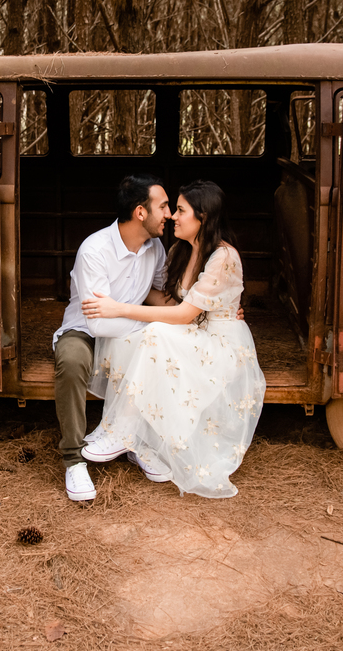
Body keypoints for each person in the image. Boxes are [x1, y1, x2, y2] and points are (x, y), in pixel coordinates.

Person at [80, 180, 267, 498]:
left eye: (180, 210)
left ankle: (122, 430)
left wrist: (118, 309)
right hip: (194, 334)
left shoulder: (223, 256)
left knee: (153, 333)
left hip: (220, 345)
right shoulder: (180, 251)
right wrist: (116, 298)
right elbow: (168, 301)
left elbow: (183, 315)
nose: (173, 217)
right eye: (172, 209)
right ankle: (139, 441)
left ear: (203, 217)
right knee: (128, 337)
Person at [53, 174, 172, 502]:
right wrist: (151, 324)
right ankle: (74, 459)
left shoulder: (155, 247)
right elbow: (99, 324)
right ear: (140, 212)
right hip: (86, 331)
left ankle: (135, 441)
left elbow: (159, 295)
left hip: (129, 328)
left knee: (161, 344)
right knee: (71, 361)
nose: (169, 214)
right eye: (163, 206)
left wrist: (201, 311)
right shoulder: (95, 250)